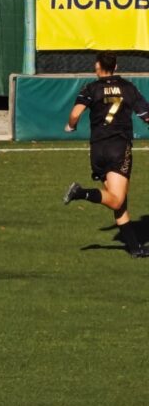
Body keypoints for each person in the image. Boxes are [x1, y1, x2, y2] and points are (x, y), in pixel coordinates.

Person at [63, 51, 149, 258]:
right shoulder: (128, 88)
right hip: (118, 148)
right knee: (117, 200)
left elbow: (75, 114)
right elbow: (146, 115)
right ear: (116, 67)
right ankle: (80, 193)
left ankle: (135, 248)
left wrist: (71, 126)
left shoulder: (91, 88)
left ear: (97, 67)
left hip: (97, 150)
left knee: (117, 199)